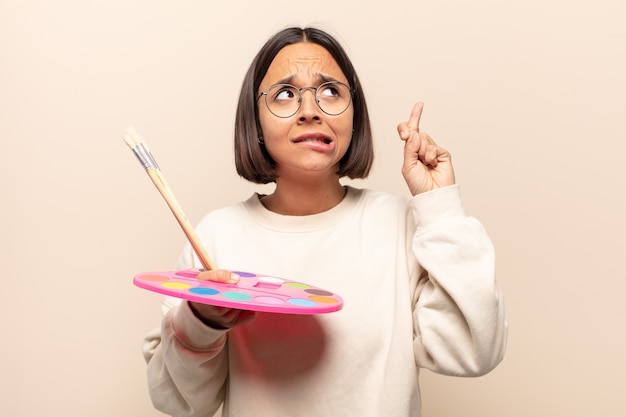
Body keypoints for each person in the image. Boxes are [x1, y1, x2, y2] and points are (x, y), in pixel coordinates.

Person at [142, 26, 507, 417]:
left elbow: (474, 352)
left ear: (355, 115)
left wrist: (439, 205)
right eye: (285, 94)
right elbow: (177, 402)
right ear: (255, 121)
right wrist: (201, 321)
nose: (311, 110)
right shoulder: (215, 236)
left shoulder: (400, 223)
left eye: (331, 90)